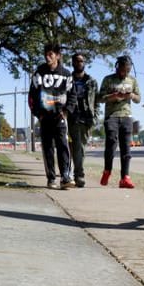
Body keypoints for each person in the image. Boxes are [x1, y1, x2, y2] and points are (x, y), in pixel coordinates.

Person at [28, 42, 77, 190]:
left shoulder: (66, 74)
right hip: (45, 118)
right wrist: (38, 114)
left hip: (60, 117)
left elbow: (72, 96)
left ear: (58, 56)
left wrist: (66, 111)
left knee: (63, 146)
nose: (48, 57)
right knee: (48, 148)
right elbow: (32, 96)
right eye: (46, 54)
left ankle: (65, 177)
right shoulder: (39, 73)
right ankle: (51, 179)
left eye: (51, 54)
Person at [98, 55, 141, 189]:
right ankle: (107, 170)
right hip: (111, 116)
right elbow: (99, 98)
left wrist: (131, 95)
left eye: (127, 70)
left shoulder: (132, 80)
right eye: (122, 69)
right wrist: (114, 96)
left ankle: (125, 178)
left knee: (126, 148)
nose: (124, 72)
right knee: (111, 142)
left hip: (127, 116)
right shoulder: (108, 79)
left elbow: (138, 98)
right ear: (117, 67)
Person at [67, 53, 100, 188]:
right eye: (77, 61)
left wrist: (95, 116)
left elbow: (96, 101)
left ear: (84, 63)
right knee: (75, 147)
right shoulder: (68, 80)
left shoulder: (91, 81)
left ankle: (76, 173)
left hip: (87, 117)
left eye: (81, 61)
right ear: (73, 63)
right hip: (72, 115)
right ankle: (78, 175)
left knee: (81, 148)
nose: (79, 63)